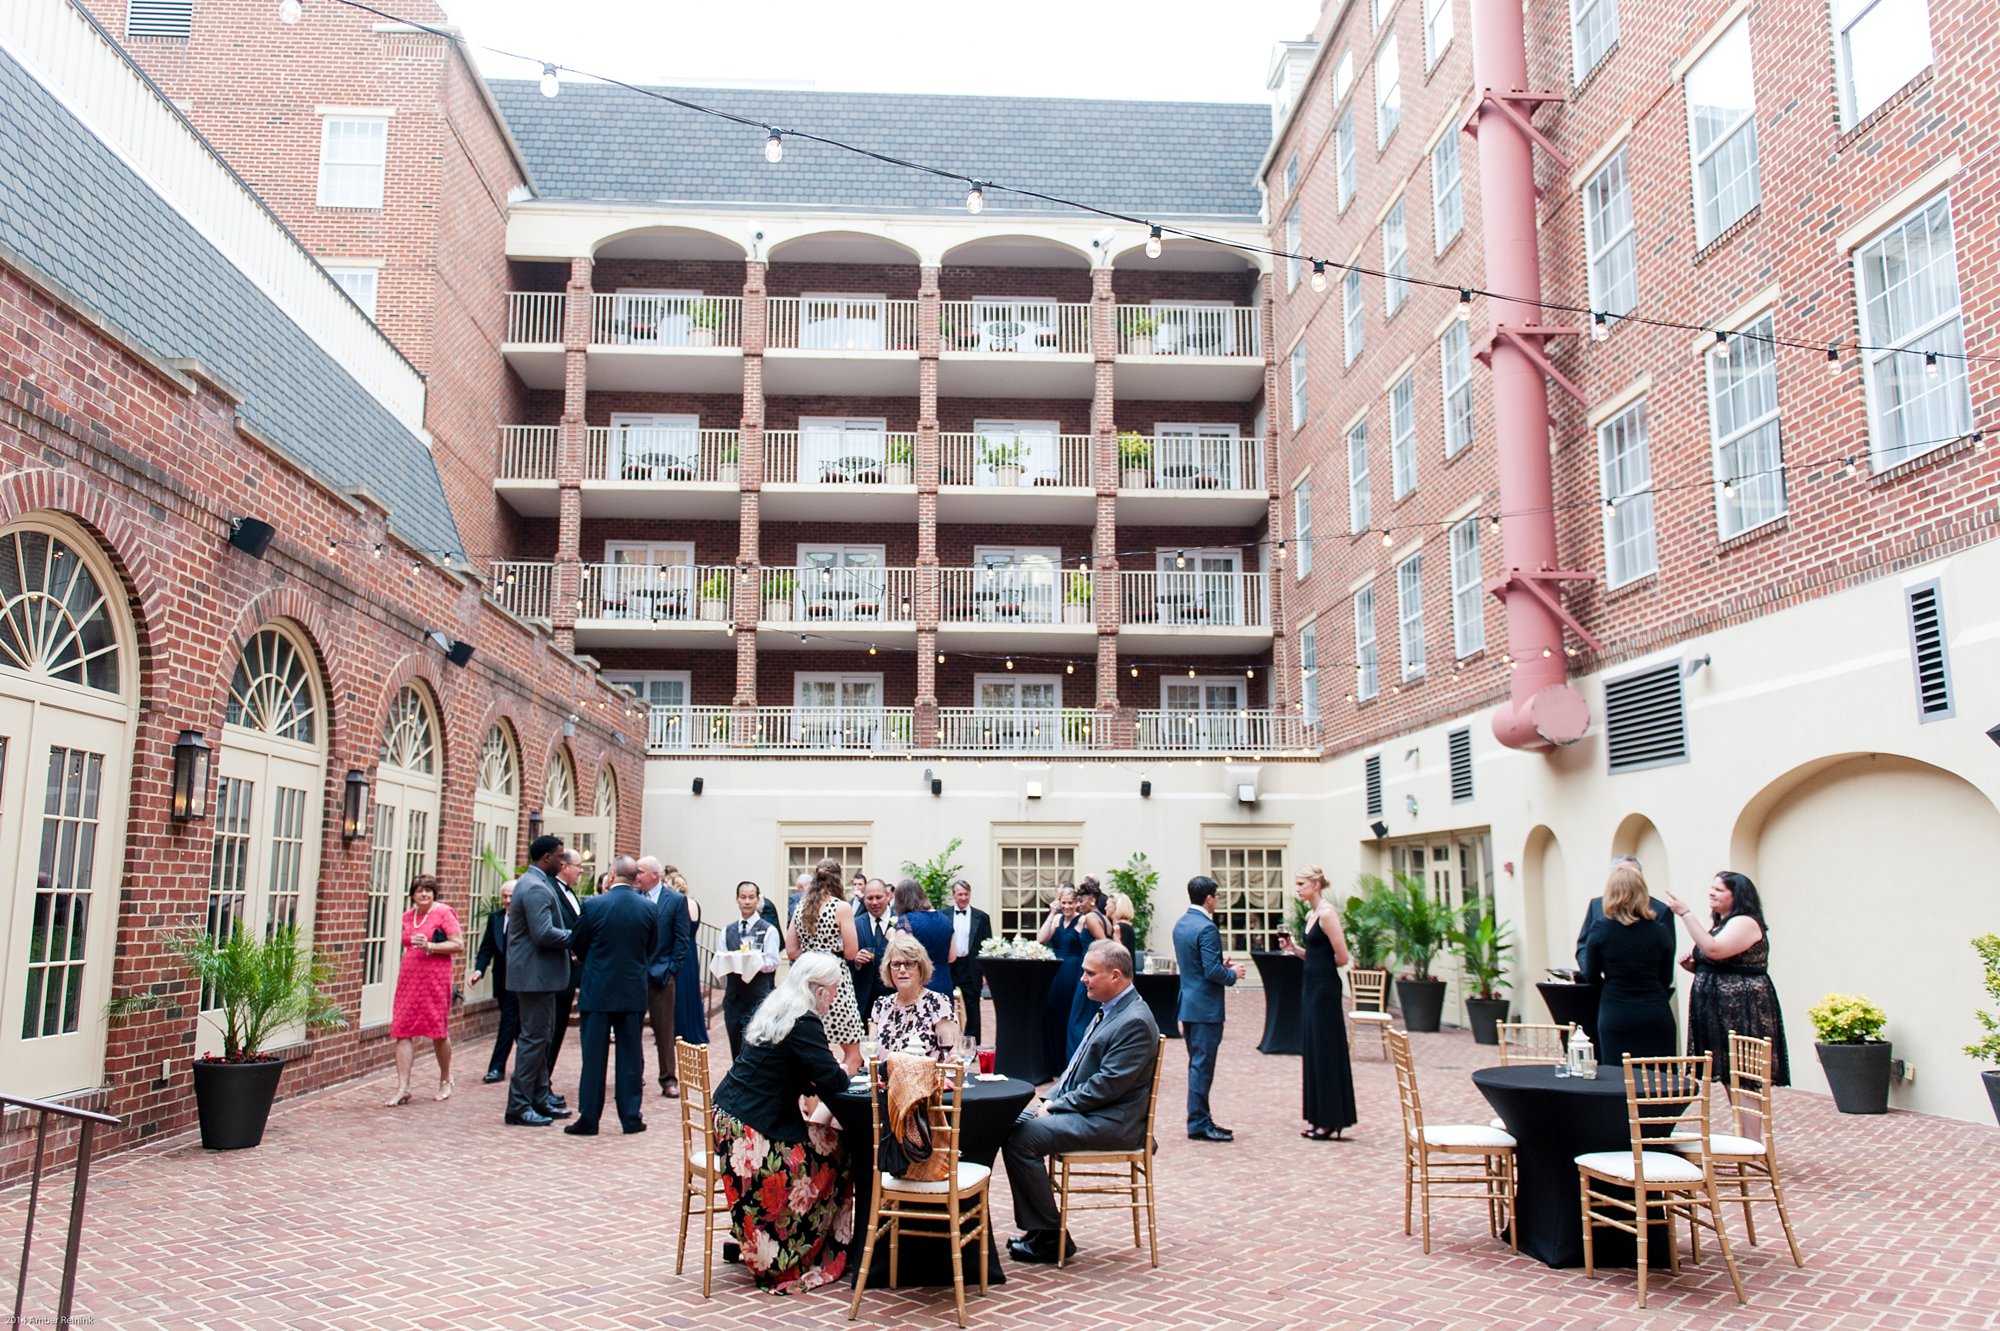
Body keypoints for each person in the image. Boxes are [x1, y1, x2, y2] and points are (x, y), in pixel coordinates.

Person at [1001, 939, 1160, 1265]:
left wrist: (1055, 1108)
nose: (1082, 979)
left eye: (1090, 973)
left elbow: (1106, 1087)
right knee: (1011, 1124)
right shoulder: (1112, 1008)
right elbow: (1075, 1070)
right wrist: (1045, 1101)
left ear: (1115, 976)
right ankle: (1043, 1230)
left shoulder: (1135, 1021)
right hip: (1094, 1112)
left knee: (1021, 1139)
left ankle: (1050, 1238)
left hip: (1113, 1122)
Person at [711, 952, 857, 1294]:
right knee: (840, 1152)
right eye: (833, 989)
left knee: (831, 1141)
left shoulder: (779, 1005)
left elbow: (793, 1068)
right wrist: (846, 1069)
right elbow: (831, 1080)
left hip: (733, 1117)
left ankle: (809, 1242)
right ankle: (798, 1251)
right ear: (818, 990)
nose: (834, 997)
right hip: (753, 1131)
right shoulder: (804, 1021)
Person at [565, 854, 659, 1136]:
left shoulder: (594, 905)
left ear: (612, 875)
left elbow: (577, 943)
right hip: (631, 989)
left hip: (598, 989)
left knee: (594, 1056)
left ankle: (589, 1118)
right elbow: (651, 947)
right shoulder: (648, 909)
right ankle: (631, 1117)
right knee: (631, 1056)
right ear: (634, 878)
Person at [1670, 871, 1790, 1086]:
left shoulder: (1745, 922)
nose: (1711, 893)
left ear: (1738, 896)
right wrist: (1695, 968)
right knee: (1730, 1077)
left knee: (1745, 1078)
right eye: (1711, 888)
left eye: (1719, 889)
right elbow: (1724, 965)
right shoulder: (1721, 924)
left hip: (1743, 1011)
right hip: (1720, 1011)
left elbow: (1714, 950)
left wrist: (1686, 913)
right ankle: (1740, 1121)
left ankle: (1748, 1121)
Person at [1276, 866, 1357, 1139]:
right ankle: (1318, 1115)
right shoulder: (1311, 915)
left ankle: (1332, 1117)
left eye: (1301, 883)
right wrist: (1294, 949)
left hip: (1324, 989)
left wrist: (1320, 964)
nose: (1297, 888)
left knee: (1326, 1048)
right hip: (1310, 986)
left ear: (1315, 884)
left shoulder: (1327, 914)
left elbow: (1342, 957)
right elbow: (1313, 954)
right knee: (1313, 1047)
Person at [1579, 861, 1678, 1066]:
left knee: (1619, 1080)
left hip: (1615, 1010)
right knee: (1658, 1080)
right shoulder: (1660, 931)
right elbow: (1666, 977)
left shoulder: (1601, 930)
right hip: (1655, 1011)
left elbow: (1590, 974)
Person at [505, 835, 574, 1126]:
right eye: (560, 856)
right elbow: (543, 932)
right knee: (533, 1039)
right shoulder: (534, 888)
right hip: (534, 976)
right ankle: (518, 1105)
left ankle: (540, 1096)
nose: (563, 861)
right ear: (546, 858)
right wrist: (577, 938)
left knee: (541, 1038)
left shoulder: (539, 883)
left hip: (539, 975)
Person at [1173, 874, 1245, 1142]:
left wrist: (1218, 966)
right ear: (1209, 898)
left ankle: (1201, 1118)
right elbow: (1212, 971)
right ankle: (1199, 1122)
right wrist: (1233, 973)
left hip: (1188, 1004)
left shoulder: (1181, 924)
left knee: (1197, 1064)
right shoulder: (1207, 927)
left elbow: (1196, 964)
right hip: (1205, 1008)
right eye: (1216, 897)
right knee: (1202, 1067)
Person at [384, 874, 462, 1106]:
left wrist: (430, 945)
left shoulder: (444, 913)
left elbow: (458, 944)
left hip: (435, 977)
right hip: (410, 976)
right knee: (403, 1028)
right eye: (419, 891)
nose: (424, 894)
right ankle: (403, 1087)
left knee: (437, 1030)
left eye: (428, 890)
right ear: (413, 895)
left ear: (434, 893)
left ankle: (446, 1078)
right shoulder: (408, 916)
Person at [784, 856, 865, 1071]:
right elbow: (851, 951)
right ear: (838, 880)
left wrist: (812, 954)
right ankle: (840, 1102)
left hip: (807, 979)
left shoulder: (801, 907)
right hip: (834, 981)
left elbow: (791, 950)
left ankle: (812, 1105)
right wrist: (830, 951)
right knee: (853, 1052)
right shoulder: (841, 907)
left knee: (811, 1051)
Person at [636, 856, 691, 1098]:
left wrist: (671, 969)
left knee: (664, 1030)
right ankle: (633, 1076)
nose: (636, 876)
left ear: (654, 875)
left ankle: (668, 1079)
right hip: (635, 974)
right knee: (631, 1029)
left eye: (640, 872)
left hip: (662, 973)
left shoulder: (676, 900)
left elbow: (682, 939)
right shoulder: (634, 898)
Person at [868, 932, 962, 1057]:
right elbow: (871, 1054)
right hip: (886, 1076)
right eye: (896, 964)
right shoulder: (881, 1005)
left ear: (921, 967)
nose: (902, 970)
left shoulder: (937, 1003)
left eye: (908, 964)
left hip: (927, 1075)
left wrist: (954, 1057)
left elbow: (953, 1053)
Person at [1575, 853, 1674, 967]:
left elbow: (1667, 954)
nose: (1627, 879)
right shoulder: (1597, 905)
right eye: (1622, 874)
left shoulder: (1660, 910)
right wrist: (1592, 970)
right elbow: (1583, 946)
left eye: (1633, 874)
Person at [721, 880, 781, 1057]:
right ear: (737, 899)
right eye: (743, 897)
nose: (747, 902)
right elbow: (721, 957)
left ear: (758, 900)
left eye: (751, 898)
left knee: (755, 1048)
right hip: (733, 997)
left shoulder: (768, 930)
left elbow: (773, 962)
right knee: (735, 1046)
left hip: (757, 997)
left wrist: (754, 962)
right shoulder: (727, 930)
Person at [545, 847, 587, 1090]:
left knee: (559, 1029)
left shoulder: (570, 893)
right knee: (551, 1030)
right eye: (578, 866)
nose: (581, 871)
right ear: (564, 867)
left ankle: (545, 1080)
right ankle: (542, 1082)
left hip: (571, 974)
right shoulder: (550, 890)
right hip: (557, 972)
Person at [469, 878, 517, 1085]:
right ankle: (533, 1067)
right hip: (502, 980)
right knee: (517, 1027)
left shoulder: (527, 918)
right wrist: (479, 971)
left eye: (511, 897)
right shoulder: (495, 918)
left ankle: (496, 1068)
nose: (507, 901)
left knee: (508, 1023)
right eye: (504, 897)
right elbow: (486, 948)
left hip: (521, 981)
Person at [1038, 881, 1086, 1077]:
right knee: (1053, 1013)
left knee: (1069, 1015)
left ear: (1075, 903)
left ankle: (1069, 1063)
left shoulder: (1082, 920)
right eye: (1063, 903)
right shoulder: (1056, 919)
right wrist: (1051, 913)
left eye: (1070, 903)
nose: (1066, 907)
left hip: (1073, 969)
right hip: (1056, 970)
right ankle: (1053, 1063)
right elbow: (1041, 939)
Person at [664, 865, 710, 1058]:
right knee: (691, 990)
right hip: (691, 949)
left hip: (679, 949)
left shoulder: (679, 904)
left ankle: (680, 1029)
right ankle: (694, 1027)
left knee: (680, 991)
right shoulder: (694, 904)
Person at [1064, 882, 1113, 1056]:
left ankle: (1076, 1061)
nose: (1078, 905)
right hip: (1091, 971)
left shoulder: (1091, 918)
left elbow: (1106, 946)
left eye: (1081, 900)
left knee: (1077, 1020)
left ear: (1092, 900)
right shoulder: (1103, 917)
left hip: (1089, 973)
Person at [892, 878, 955, 998]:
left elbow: (901, 956)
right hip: (944, 982)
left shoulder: (906, 921)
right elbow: (952, 957)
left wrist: (891, 938)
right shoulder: (945, 919)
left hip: (919, 984)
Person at [946, 879, 992, 1044]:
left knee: (973, 1008)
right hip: (949, 966)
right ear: (954, 895)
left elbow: (987, 946)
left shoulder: (982, 917)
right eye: (960, 894)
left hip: (971, 967)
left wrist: (986, 972)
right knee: (945, 1005)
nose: (963, 898)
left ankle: (971, 1045)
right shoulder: (943, 915)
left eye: (966, 894)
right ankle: (947, 1043)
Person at [850, 878, 895, 1020]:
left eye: (878, 897)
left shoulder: (902, 921)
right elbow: (845, 958)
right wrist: (856, 961)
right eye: (870, 898)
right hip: (863, 999)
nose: (874, 902)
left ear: (888, 896)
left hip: (894, 996)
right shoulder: (855, 924)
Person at [1104, 889, 1138, 958]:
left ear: (1115, 906)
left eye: (1107, 905)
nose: (1105, 908)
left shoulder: (1117, 928)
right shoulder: (1127, 926)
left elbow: (1119, 953)